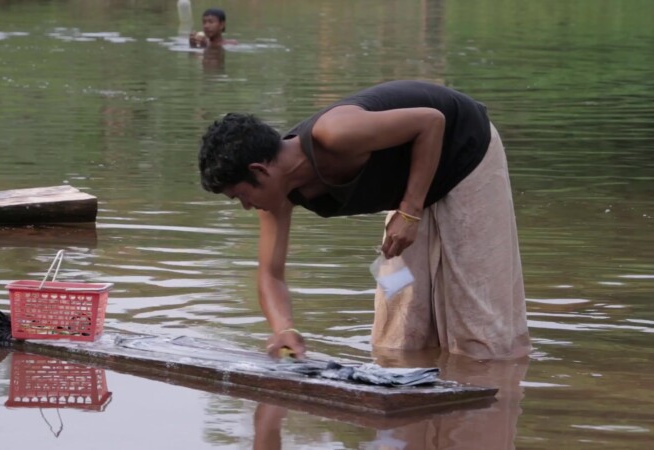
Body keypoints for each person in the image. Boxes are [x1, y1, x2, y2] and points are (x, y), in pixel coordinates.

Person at [198, 80, 531, 360]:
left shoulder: (336, 133)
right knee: (397, 326)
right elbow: (270, 274)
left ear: (259, 170)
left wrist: (409, 212)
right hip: (411, 186)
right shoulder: (278, 197)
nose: (246, 206)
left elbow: (431, 122)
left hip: (463, 152)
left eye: (241, 196)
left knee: (479, 326)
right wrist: (285, 329)